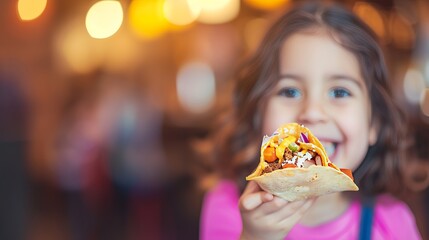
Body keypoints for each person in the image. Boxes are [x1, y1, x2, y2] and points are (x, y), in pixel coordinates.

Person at [200, 2, 422, 240]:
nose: (313, 112)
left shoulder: (392, 222)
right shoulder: (228, 205)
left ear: (374, 123)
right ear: (258, 113)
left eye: (339, 92)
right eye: (289, 92)